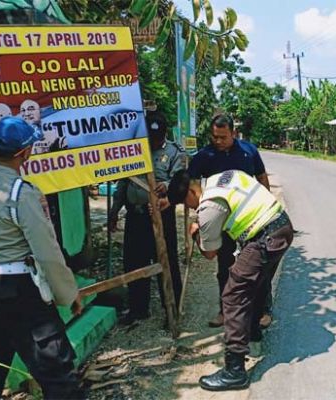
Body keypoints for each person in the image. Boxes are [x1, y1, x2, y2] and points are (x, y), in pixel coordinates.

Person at [0, 117, 84, 399]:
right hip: (19, 290)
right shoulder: (21, 194)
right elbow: (47, 251)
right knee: (55, 368)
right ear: (23, 153)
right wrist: (68, 292)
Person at [167, 169, 293, 391]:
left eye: (186, 204)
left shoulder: (209, 206)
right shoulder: (224, 177)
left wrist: (194, 233)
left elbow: (210, 253)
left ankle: (234, 371)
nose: (190, 208)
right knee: (255, 282)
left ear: (191, 191)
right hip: (281, 226)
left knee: (233, 295)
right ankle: (252, 330)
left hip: (265, 237)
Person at [188, 114, 274, 329]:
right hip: (222, 220)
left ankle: (262, 310)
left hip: (249, 218)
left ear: (233, 134)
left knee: (257, 264)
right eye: (215, 137)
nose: (218, 141)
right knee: (224, 266)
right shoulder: (204, 155)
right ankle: (225, 310)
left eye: (223, 137)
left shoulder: (248, 151)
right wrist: (203, 210)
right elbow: (192, 182)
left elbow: (262, 178)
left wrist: (265, 207)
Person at [109, 110, 185, 325]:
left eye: (157, 138)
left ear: (164, 134)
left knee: (166, 262)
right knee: (134, 263)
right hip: (136, 216)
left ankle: (171, 309)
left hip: (161, 216)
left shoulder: (173, 152)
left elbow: (181, 182)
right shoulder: (134, 151)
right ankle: (138, 309)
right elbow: (124, 182)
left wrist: (168, 186)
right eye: (150, 138)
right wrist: (115, 210)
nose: (153, 142)